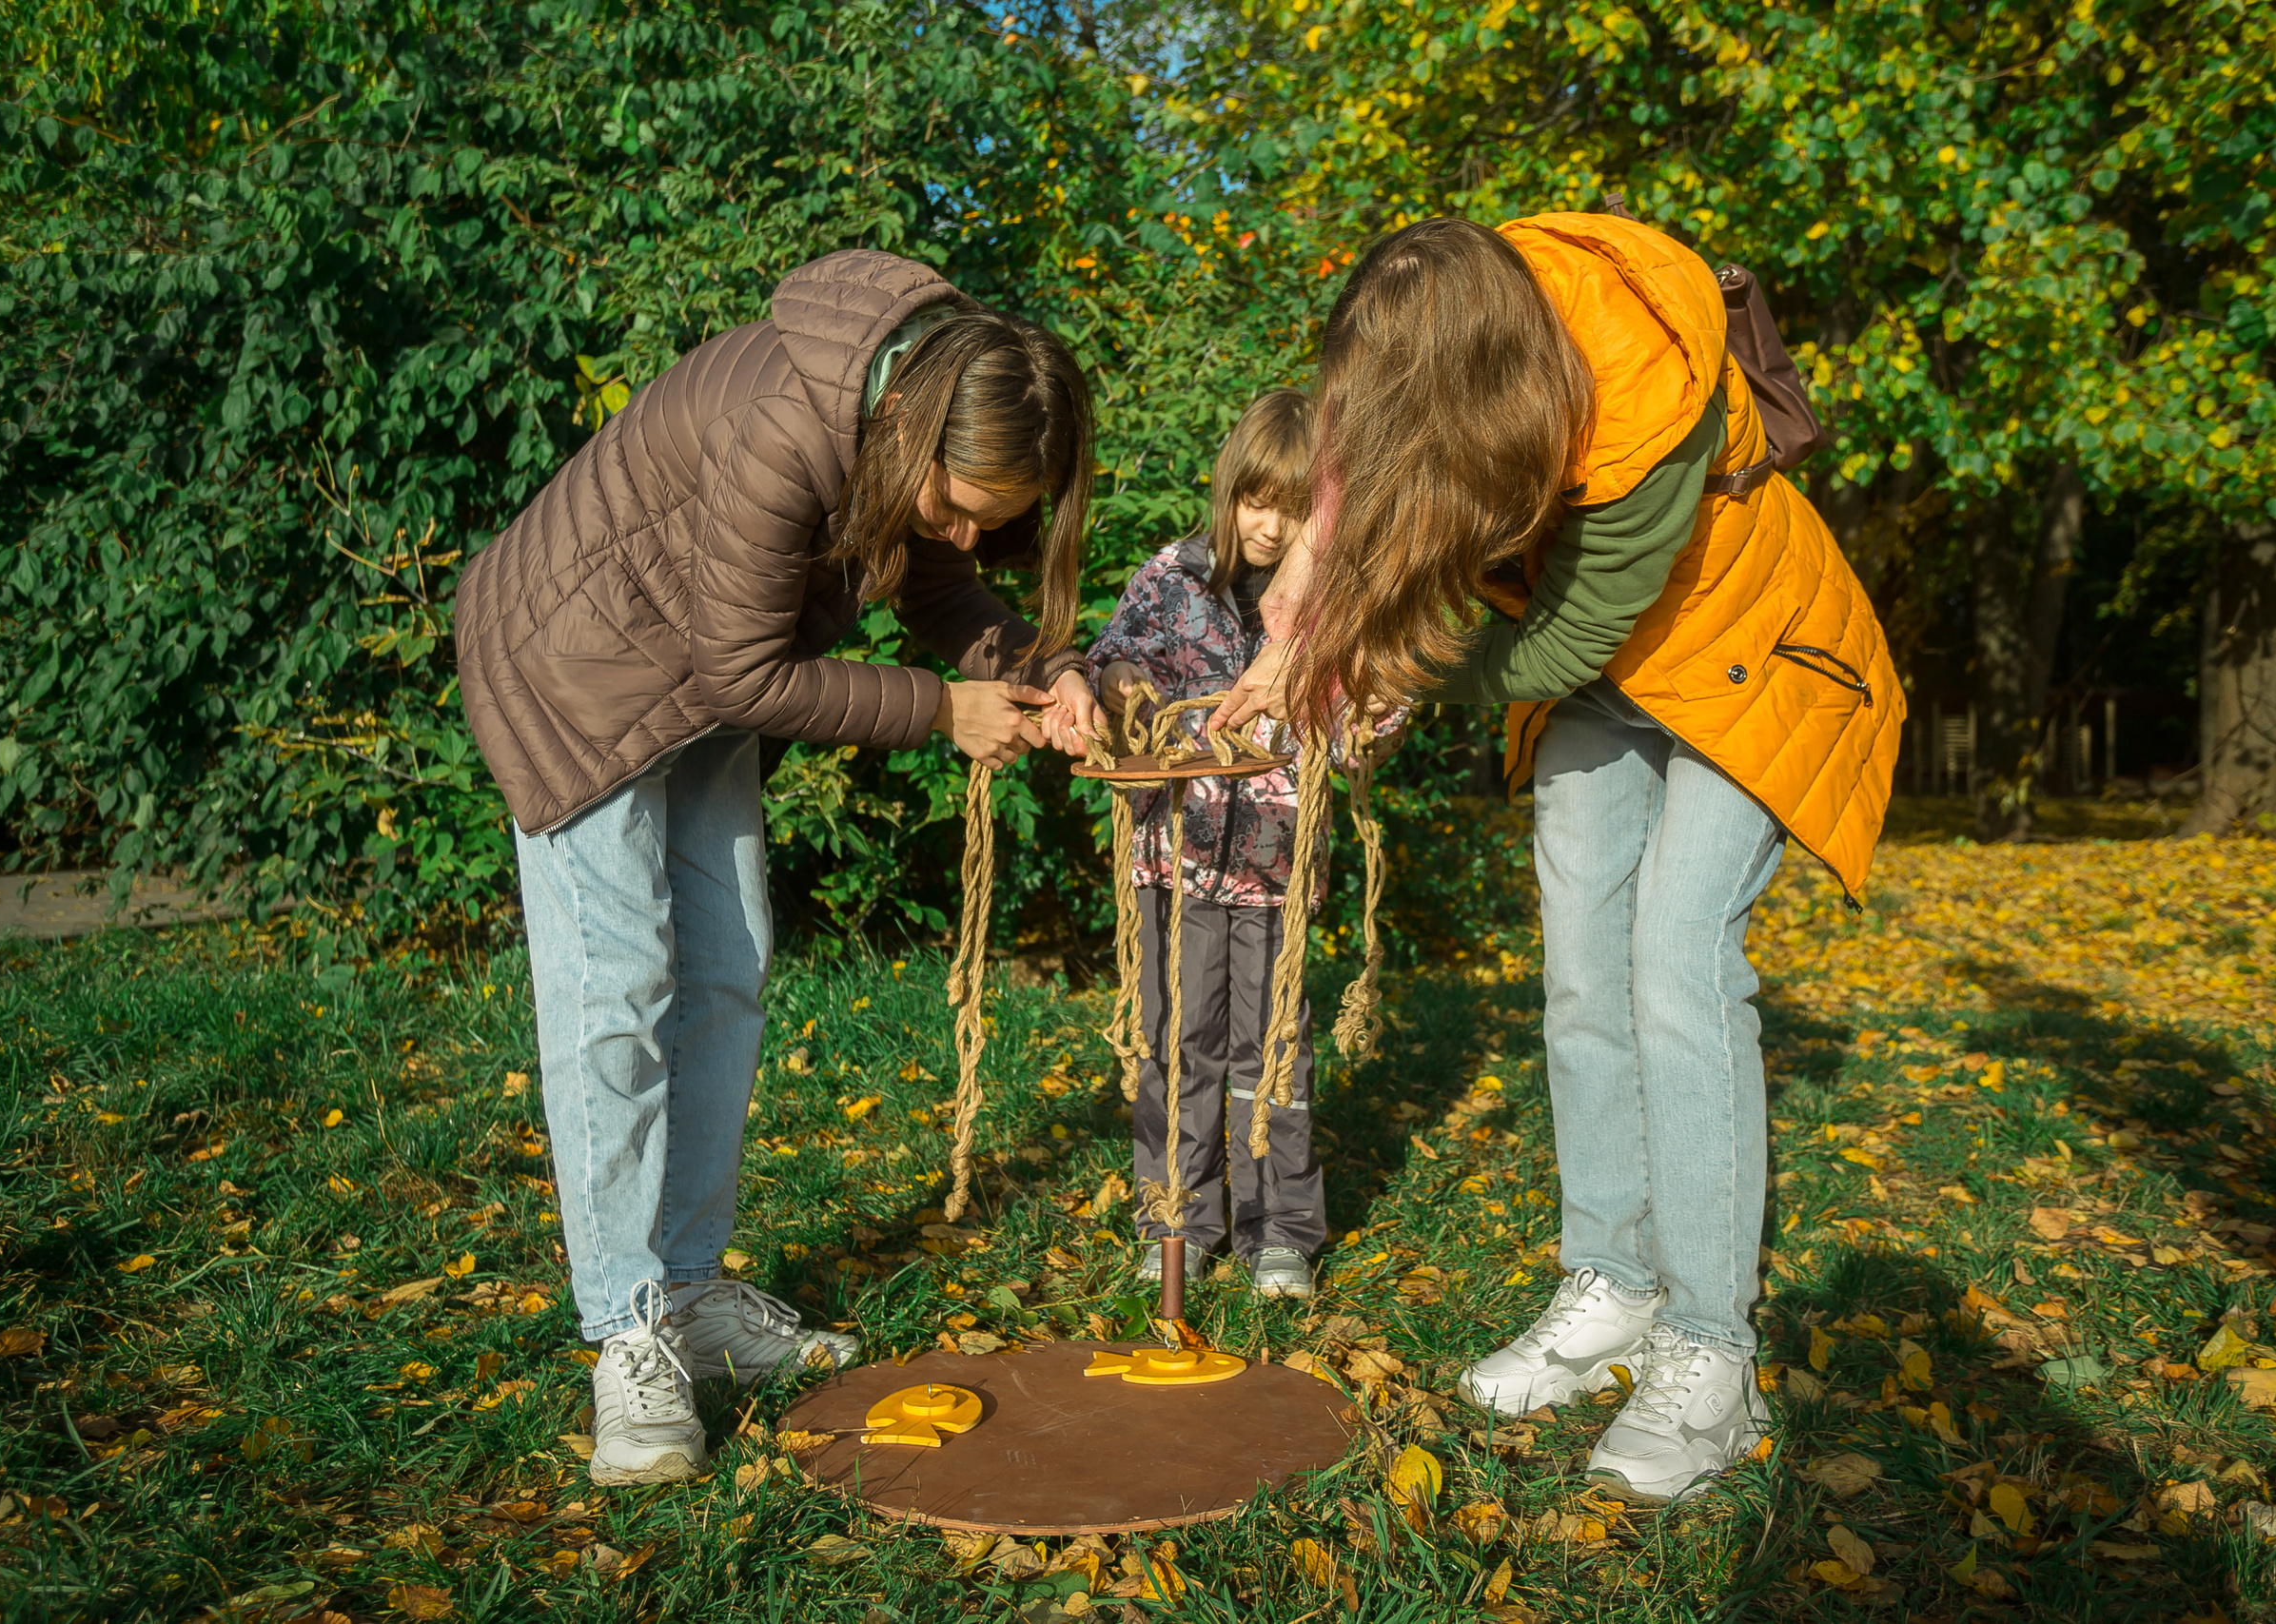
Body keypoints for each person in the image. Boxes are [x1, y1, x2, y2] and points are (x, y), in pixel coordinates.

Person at [1210, 215, 1903, 1502]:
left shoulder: (1646, 393)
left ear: (1491, 376)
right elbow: (1340, 498)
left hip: (1740, 646)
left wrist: (1396, 664)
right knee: (1585, 969)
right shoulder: (1435, 326)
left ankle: (1710, 1347)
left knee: (1677, 961)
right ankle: (1613, 1284)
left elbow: (1571, 635)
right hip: (1599, 664)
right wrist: (1290, 645)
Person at [454, 250, 1102, 1486]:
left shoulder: (901, 413)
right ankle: (624, 1328)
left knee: (731, 965)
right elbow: (745, 672)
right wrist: (943, 710)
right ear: (914, 429)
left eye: (992, 516)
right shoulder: (780, 421)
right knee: (620, 993)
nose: (965, 532)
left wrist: (1030, 661)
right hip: (578, 681)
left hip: (690, 683)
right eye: (957, 503)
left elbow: (942, 586)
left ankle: (691, 1290)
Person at [1089, 389, 1396, 1301]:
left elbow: (1365, 708)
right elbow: (1110, 659)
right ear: (1228, 491)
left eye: (1296, 508)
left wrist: (1375, 719)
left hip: (1273, 864)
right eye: (1256, 501)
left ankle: (1279, 1233)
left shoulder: (1331, 603)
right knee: (1173, 1040)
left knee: (1273, 1051)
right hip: (1172, 865)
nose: (1270, 525)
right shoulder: (1169, 580)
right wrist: (1120, 689)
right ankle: (1174, 1216)